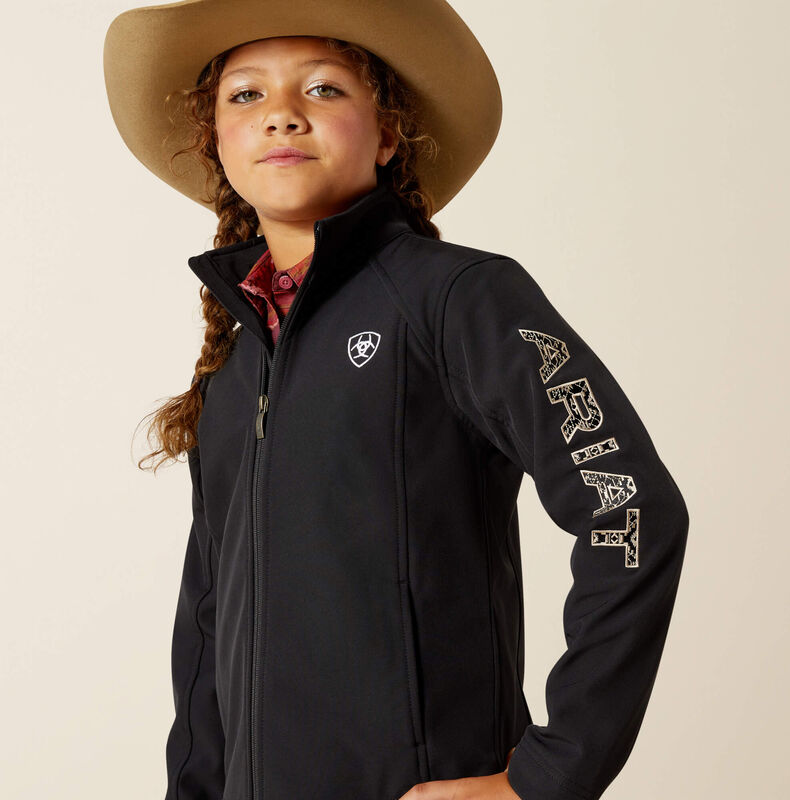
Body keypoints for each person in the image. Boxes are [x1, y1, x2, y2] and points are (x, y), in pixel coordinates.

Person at [103, 3, 690, 799]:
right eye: (245, 95)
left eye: (323, 88)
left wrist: (548, 776)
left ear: (386, 135)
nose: (281, 113)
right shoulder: (234, 369)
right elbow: (207, 622)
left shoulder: (458, 298)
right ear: (216, 142)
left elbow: (628, 504)